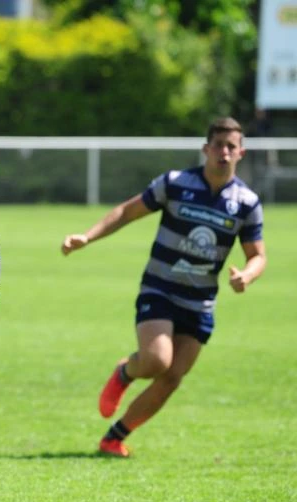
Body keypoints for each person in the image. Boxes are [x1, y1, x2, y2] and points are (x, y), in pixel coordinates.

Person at [60, 117, 267, 457]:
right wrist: (88, 236)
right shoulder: (175, 183)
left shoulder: (246, 203)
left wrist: (247, 274)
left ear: (241, 152)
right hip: (160, 288)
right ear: (206, 148)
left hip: (200, 302)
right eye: (218, 145)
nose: (224, 152)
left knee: (171, 379)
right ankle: (125, 372)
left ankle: (114, 437)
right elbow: (128, 212)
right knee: (157, 360)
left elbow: (258, 255)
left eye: (232, 147)